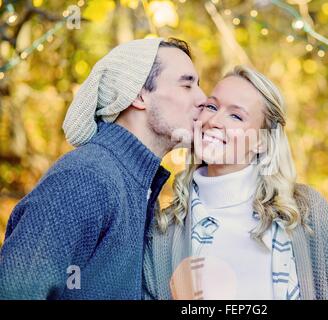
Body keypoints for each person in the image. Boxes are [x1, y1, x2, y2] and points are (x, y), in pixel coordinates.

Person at [0, 37, 206, 299]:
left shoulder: (139, 185)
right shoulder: (84, 179)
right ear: (139, 95)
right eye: (187, 85)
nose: (202, 98)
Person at [143, 65, 328, 300]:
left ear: (261, 142)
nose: (214, 121)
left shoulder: (307, 212)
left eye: (236, 116)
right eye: (211, 106)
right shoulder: (163, 232)